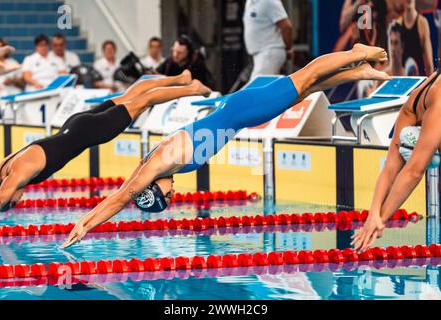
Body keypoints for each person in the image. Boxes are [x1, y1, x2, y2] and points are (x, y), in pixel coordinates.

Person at [61, 44, 391, 249]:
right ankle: (356, 72)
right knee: (304, 90)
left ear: (154, 189)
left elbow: (119, 198)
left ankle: (357, 52)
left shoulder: (156, 166)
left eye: (167, 196)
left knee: (303, 78)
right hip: (240, 114)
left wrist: (85, 225)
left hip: (241, 111)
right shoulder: (159, 167)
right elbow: (124, 191)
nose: (173, 195)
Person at [0, 70, 211, 215]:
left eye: (13, 202)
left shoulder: (16, 173)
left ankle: (193, 89)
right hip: (75, 125)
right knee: (131, 96)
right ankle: (180, 78)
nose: (18, 201)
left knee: (143, 102)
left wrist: (0, 201)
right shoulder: (4, 167)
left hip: (90, 131)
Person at [352, 68, 441, 252]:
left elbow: (409, 171)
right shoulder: (427, 103)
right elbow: (400, 169)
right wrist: (374, 215)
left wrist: (379, 217)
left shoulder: (415, 104)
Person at [243, 0, 293, 81]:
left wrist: (289, 50)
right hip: (260, 55)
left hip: (270, 53)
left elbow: (287, 27)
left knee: (256, 88)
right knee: (266, 88)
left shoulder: (270, 1)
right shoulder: (249, 2)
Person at [397, 0, 434, 76]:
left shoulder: (422, 23)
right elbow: (395, 63)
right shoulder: (397, 24)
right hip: (404, 82)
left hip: (419, 81)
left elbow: (429, 64)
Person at [0, 38, 22, 118]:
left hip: (10, 89)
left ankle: (20, 121)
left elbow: (21, 81)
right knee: (2, 94)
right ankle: (8, 121)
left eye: (1, 48)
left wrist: (12, 81)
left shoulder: (12, 62)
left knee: (18, 95)